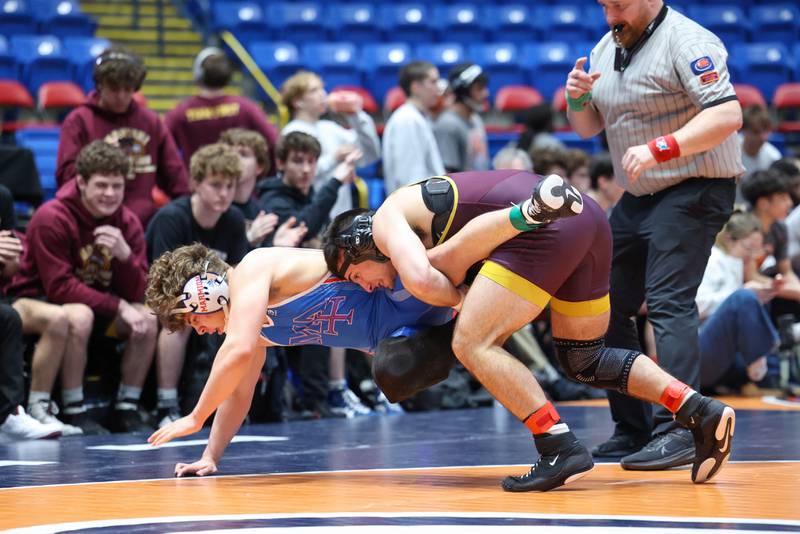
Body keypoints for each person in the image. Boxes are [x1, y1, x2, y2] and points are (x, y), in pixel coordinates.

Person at [324, 169, 736, 491]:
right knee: (584, 358)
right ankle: (698, 409)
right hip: (587, 220)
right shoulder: (417, 225)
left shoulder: (385, 219)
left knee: (472, 342)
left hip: (542, 227)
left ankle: (556, 444)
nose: (366, 286)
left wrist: (461, 302)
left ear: (357, 245)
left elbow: (422, 281)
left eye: (357, 276)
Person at [565, 0, 744, 469]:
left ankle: (686, 429)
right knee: (601, 304)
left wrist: (661, 147)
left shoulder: (688, 41)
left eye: (618, 5)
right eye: (604, 6)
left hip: (696, 186)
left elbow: (727, 116)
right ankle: (632, 427)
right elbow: (587, 128)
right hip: (641, 196)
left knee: (667, 301)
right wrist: (578, 97)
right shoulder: (608, 45)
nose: (610, 16)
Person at [143, 242, 455, 474]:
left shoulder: (253, 268)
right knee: (401, 372)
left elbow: (235, 351)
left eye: (192, 318)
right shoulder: (251, 327)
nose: (198, 330)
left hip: (406, 290)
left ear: (205, 292)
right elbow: (238, 393)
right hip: (407, 334)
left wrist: (196, 417)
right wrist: (210, 456)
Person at [9, 141, 157, 433]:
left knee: (149, 318)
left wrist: (125, 257)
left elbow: (139, 292)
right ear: (81, 182)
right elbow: (59, 287)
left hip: (97, 306)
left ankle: (126, 407)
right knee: (79, 314)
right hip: (39, 300)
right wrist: (118, 306)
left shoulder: (127, 222)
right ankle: (73, 409)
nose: (110, 194)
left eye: (117, 186)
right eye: (101, 185)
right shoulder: (52, 216)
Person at [56, 46, 190, 227]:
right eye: (114, 89)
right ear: (100, 85)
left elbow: (175, 177)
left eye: (128, 89)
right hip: (91, 223)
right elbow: (67, 178)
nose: (121, 96)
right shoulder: (79, 120)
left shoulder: (150, 121)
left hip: (142, 224)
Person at [0, 186, 63, 443]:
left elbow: (12, 267)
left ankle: (9, 414)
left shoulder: (3, 196)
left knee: (7, 318)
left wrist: (10, 258)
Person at [696, 211, 780, 391]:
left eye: (757, 250)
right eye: (749, 248)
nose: (752, 256)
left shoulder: (735, 264)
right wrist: (739, 294)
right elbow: (698, 306)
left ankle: (767, 368)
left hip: (721, 357)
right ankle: (761, 371)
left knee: (753, 298)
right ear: (729, 240)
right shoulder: (712, 259)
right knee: (744, 297)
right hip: (697, 349)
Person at [281, 70, 381, 217]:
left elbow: (371, 153)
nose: (323, 94)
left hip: (339, 214)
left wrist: (356, 115)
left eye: (322, 88)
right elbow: (295, 175)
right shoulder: (291, 132)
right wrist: (334, 158)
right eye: (314, 90)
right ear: (298, 101)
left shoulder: (329, 127)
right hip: (310, 215)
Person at [165, 47, 279, 175]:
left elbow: (160, 149)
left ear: (198, 75)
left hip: (196, 187)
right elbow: (274, 142)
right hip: (238, 185)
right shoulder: (246, 108)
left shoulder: (180, 112)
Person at [382, 61, 445, 194]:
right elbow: (411, 179)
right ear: (416, 87)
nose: (438, 88)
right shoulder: (407, 120)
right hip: (415, 209)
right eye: (433, 82)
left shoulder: (418, 117)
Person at [434, 62, 490, 173]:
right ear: (463, 92)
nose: (486, 94)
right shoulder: (448, 125)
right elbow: (448, 175)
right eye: (479, 89)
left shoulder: (475, 119)